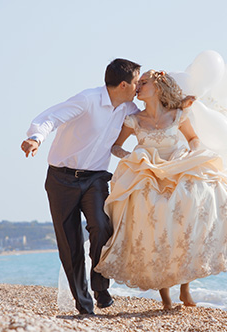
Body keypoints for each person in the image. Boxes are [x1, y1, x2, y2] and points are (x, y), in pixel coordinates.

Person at [94, 70, 227, 310]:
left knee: (190, 216)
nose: (138, 86)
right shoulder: (134, 120)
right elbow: (116, 147)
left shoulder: (178, 115)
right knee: (157, 226)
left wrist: (190, 152)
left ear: (159, 86)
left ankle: (185, 289)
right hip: (149, 173)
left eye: (144, 82)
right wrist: (134, 157)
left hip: (177, 167)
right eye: (138, 82)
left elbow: (193, 139)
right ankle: (165, 298)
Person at [20, 58, 141, 315]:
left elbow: (152, 120)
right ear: (123, 84)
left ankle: (100, 286)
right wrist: (35, 138)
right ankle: (84, 306)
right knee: (70, 243)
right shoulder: (87, 100)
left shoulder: (129, 109)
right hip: (61, 179)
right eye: (136, 82)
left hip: (96, 178)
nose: (138, 87)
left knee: (102, 225)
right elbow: (51, 117)